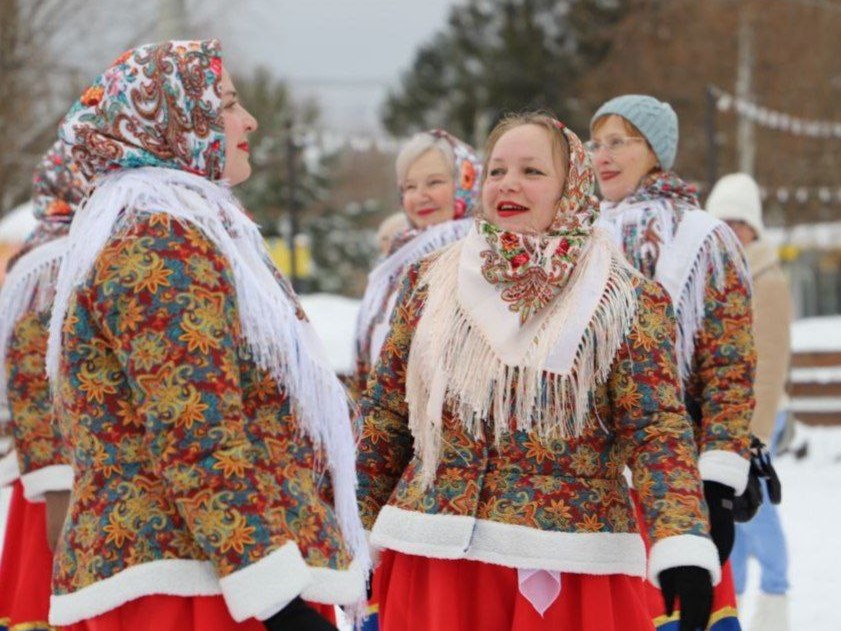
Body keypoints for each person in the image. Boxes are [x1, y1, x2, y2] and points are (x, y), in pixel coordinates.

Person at [44, 40, 368, 631]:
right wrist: (277, 599)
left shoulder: (188, 229)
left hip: (211, 569)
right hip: (194, 587)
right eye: (227, 104)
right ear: (173, 118)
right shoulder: (161, 244)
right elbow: (197, 430)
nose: (250, 120)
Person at [357, 111, 720, 631]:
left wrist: (681, 540)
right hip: (434, 558)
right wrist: (351, 529)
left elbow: (656, 429)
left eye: (531, 171)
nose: (509, 184)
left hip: (568, 560)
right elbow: (387, 417)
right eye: (497, 171)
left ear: (570, 186)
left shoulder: (623, 297)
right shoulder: (430, 281)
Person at [590, 94, 756, 629]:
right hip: (592, 489)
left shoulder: (703, 237)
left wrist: (717, 484)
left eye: (619, 141)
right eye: (595, 144)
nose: (602, 156)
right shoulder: (580, 234)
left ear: (656, 150)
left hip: (675, 484)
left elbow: (729, 370)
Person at [0, 140, 88, 631]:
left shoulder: (43, 251)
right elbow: (37, 375)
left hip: (58, 476)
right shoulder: (55, 261)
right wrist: (58, 488)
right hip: (61, 481)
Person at [708, 173, 792, 631]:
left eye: (740, 221)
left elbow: (773, 359)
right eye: (724, 221)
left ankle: (776, 595)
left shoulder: (766, 278)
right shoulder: (719, 273)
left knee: (757, 512)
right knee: (729, 513)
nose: (733, 230)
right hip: (726, 417)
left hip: (756, 419)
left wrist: (755, 432)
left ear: (754, 228)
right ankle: (732, 600)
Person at [353, 130, 481, 397]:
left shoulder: (478, 253)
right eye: (410, 187)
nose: (420, 195)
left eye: (434, 183)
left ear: (465, 183)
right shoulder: (398, 256)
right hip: (389, 419)